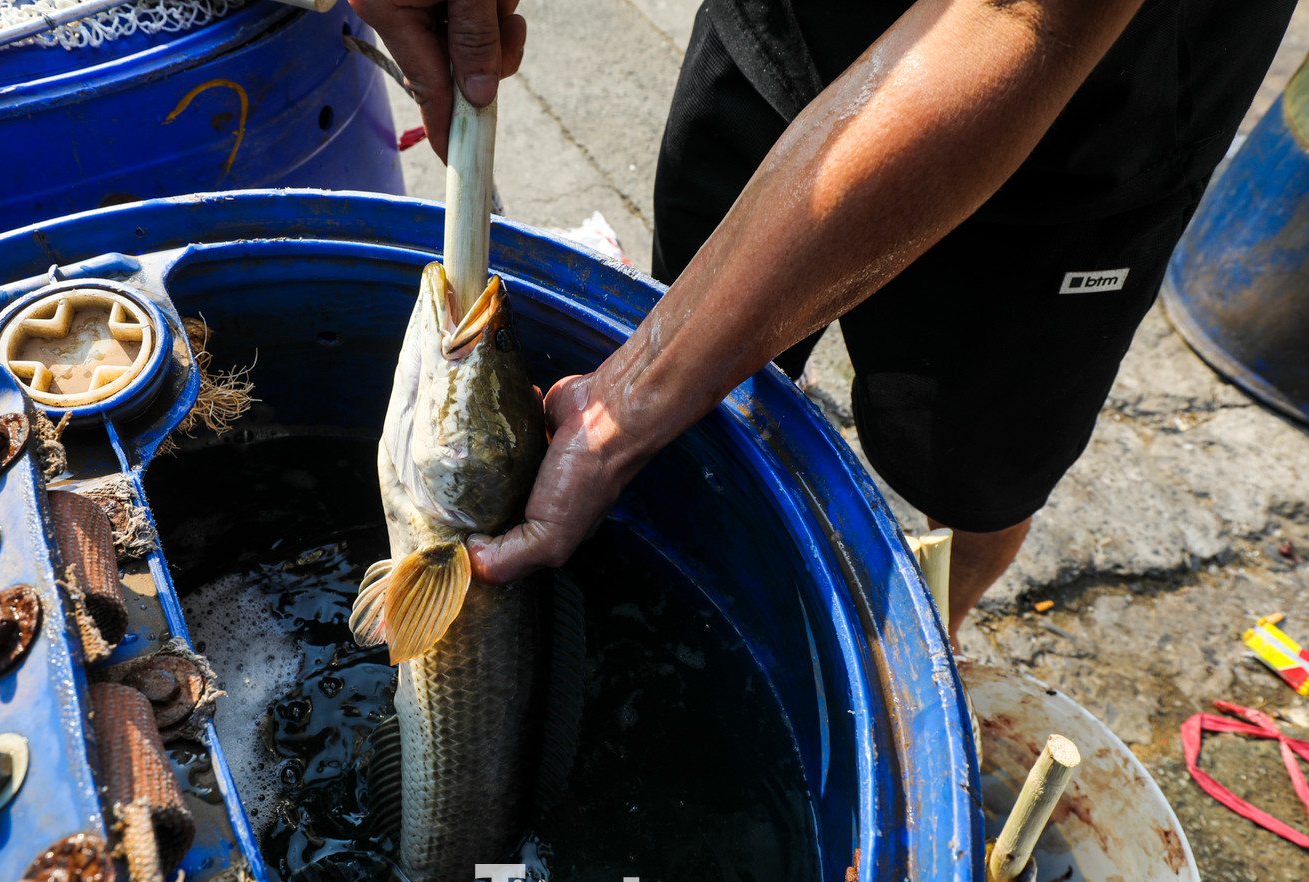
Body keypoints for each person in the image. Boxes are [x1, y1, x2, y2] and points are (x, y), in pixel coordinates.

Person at [349, 0, 1296, 649]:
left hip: (1086, 109)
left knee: (976, 471)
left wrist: (630, 400)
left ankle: (939, 633)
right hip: (785, 27)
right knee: (704, 395)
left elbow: (1018, 21)